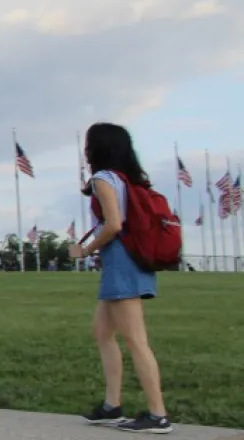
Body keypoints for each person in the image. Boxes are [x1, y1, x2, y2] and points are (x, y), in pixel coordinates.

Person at [70, 122, 172, 433]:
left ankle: (158, 415)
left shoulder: (103, 179)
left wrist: (85, 250)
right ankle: (111, 406)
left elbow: (114, 224)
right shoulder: (126, 180)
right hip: (130, 262)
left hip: (121, 263)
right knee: (103, 333)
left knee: (136, 340)